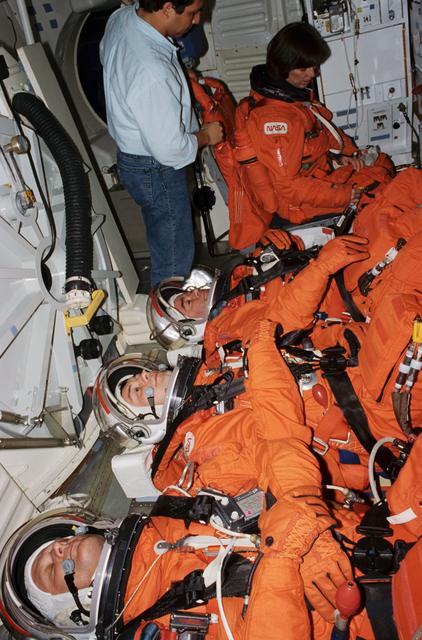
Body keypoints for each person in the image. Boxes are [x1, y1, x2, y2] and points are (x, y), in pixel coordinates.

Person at [100, 0, 224, 287]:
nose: (197, 20)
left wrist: (177, 77)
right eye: (192, 13)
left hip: (133, 158)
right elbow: (172, 150)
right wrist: (207, 135)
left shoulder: (122, 18)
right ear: (167, 8)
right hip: (156, 168)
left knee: (165, 240)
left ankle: (171, 299)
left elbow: (109, 57)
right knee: (173, 257)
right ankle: (170, 308)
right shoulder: (152, 71)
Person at [231, 22, 394, 235]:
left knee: (380, 164)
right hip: (299, 205)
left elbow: (321, 133)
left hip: (319, 180)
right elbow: (288, 187)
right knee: (384, 186)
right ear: (283, 67)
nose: (312, 73)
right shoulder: (275, 120)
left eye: (314, 66)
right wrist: (344, 195)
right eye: (304, 68)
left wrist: (343, 155)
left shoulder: (292, 99)